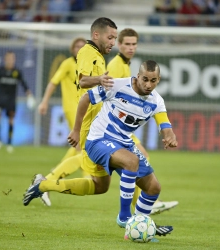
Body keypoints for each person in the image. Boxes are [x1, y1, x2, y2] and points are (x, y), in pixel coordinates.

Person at [23, 60, 176, 238]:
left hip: (124, 143)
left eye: (153, 80)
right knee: (131, 161)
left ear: (158, 80)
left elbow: (165, 124)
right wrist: (76, 129)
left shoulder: (156, 101)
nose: (149, 84)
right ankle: (125, 217)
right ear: (137, 76)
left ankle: (139, 224)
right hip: (99, 139)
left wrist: (169, 135)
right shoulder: (118, 86)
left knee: (151, 187)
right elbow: (86, 97)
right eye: (145, 79)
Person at [107, 28, 178, 215]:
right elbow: (106, 95)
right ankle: (136, 208)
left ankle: (140, 206)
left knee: (99, 183)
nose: (131, 48)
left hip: (121, 131)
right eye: (127, 44)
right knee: (100, 178)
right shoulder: (116, 66)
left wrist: (169, 133)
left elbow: (164, 121)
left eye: (134, 44)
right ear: (118, 44)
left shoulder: (126, 66)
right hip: (110, 128)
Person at [37, 37, 86, 206]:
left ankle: (51, 176)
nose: (79, 49)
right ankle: (83, 176)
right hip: (72, 109)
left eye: (82, 46)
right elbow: (53, 83)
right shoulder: (67, 64)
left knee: (80, 145)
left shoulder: (87, 65)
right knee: (81, 144)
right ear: (72, 49)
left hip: (86, 109)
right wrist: (44, 102)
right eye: (76, 46)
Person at [0, 51, 33, 153]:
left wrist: (30, 97)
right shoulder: (0, 71)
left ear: (14, 60)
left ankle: (9, 143)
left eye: (12, 58)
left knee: (11, 120)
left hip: (11, 101)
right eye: (8, 58)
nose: (10, 60)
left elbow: (24, 85)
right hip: (0, 100)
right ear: (5, 59)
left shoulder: (17, 72)